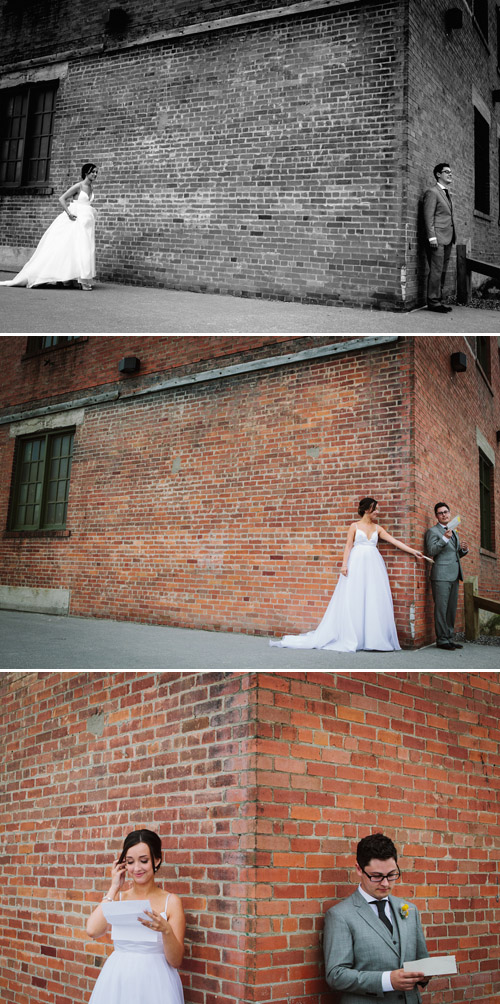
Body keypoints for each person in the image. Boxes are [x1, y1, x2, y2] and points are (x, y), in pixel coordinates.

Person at [270, 498, 423, 652]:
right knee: (354, 596)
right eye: (376, 509)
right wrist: (344, 564)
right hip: (356, 563)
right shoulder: (354, 526)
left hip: (373, 565)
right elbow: (348, 546)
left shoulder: (378, 528)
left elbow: (394, 541)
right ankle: (354, 635)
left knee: (372, 596)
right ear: (367, 509)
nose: (378, 512)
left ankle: (372, 638)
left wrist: (413, 551)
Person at [323, 833, 431, 1004]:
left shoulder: (410, 909)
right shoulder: (339, 915)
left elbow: (421, 960)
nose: (386, 883)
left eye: (392, 875)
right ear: (359, 869)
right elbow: (336, 975)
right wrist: (387, 980)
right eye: (376, 876)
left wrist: (425, 974)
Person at [86, 828, 185, 1004]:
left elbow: (176, 961)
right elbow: (92, 930)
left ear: (157, 860)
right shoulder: (118, 897)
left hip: (156, 983)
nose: (137, 868)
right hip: (117, 980)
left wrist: (166, 930)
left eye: (144, 860)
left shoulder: (171, 902)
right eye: (130, 862)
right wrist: (114, 887)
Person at [0, 162, 98, 290]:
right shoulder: (78, 186)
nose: (95, 174)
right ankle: (80, 281)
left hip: (86, 223)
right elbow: (62, 199)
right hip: (75, 220)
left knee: (81, 249)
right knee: (71, 248)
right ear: (86, 173)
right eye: (93, 172)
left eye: (96, 172)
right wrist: (69, 213)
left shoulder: (91, 188)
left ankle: (72, 278)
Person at [425, 502, 469, 651]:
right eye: (440, 513)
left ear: (450, 513)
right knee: (441, 609)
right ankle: (442, 639)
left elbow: (454, 555)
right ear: (436, 516)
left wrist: (463, 550)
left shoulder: (454, 531)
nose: (444, 514)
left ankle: (449, 637)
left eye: (446, 512)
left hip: (454, 574)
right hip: (441, 576)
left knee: (451, 609)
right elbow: (431, 550)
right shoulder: (433, 531)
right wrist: (444, 539)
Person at [422, 163, 456, 313]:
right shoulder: (432, 192)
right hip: (437, 238)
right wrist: (431, 238)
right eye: (446, 172)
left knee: (442, 270)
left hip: (448, 238)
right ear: (438, 174)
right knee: (436, 270)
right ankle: (433, 302)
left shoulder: (446, 193)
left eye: (450, 172)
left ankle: (438, 299)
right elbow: (428, 217)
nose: (450, 174)